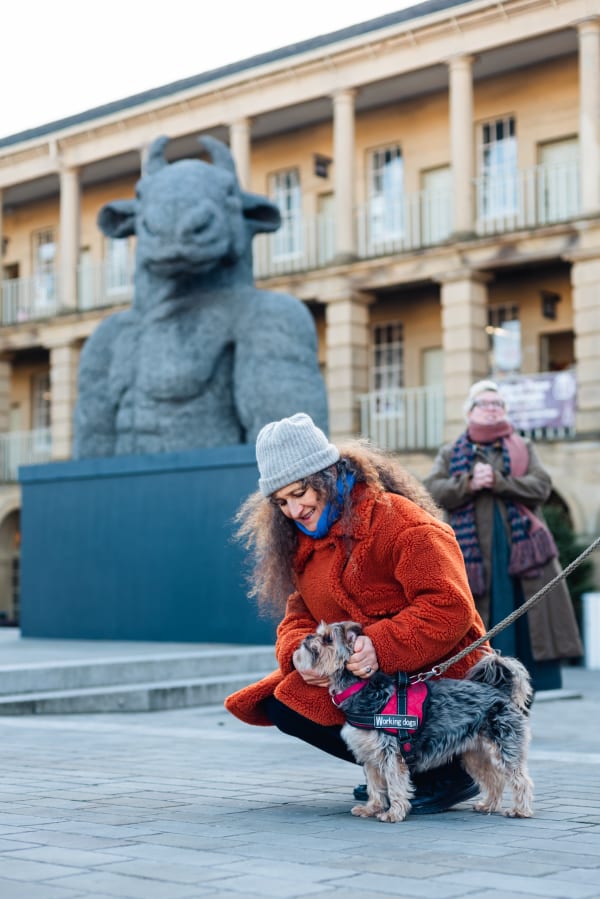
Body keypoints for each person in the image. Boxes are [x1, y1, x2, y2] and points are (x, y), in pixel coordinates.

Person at [225, 412, 491, 815]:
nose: (293, 511)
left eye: (299, 493)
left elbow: (449, 606)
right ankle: (391, 770)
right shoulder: (302, 546)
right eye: (281, 502)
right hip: (370, 678)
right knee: (285, 701)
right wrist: (304, 654)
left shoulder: (400, 522)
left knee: (323, 700)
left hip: (441, 675)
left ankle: (449, 774)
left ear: (327, 476)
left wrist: (379, 646)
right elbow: (297, 616)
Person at [423, 379, 583, 693]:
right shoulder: (451, 452)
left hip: (523, 559)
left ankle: (523, 700)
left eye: (498, 404)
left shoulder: (523, 447)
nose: (493, 409)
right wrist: (468, 483)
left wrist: (499, 481)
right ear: (470, 412)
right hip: (474, 560)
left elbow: (541, 486)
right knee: (484, 623)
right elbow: (433, 491)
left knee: (527, 626)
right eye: (485, 403)